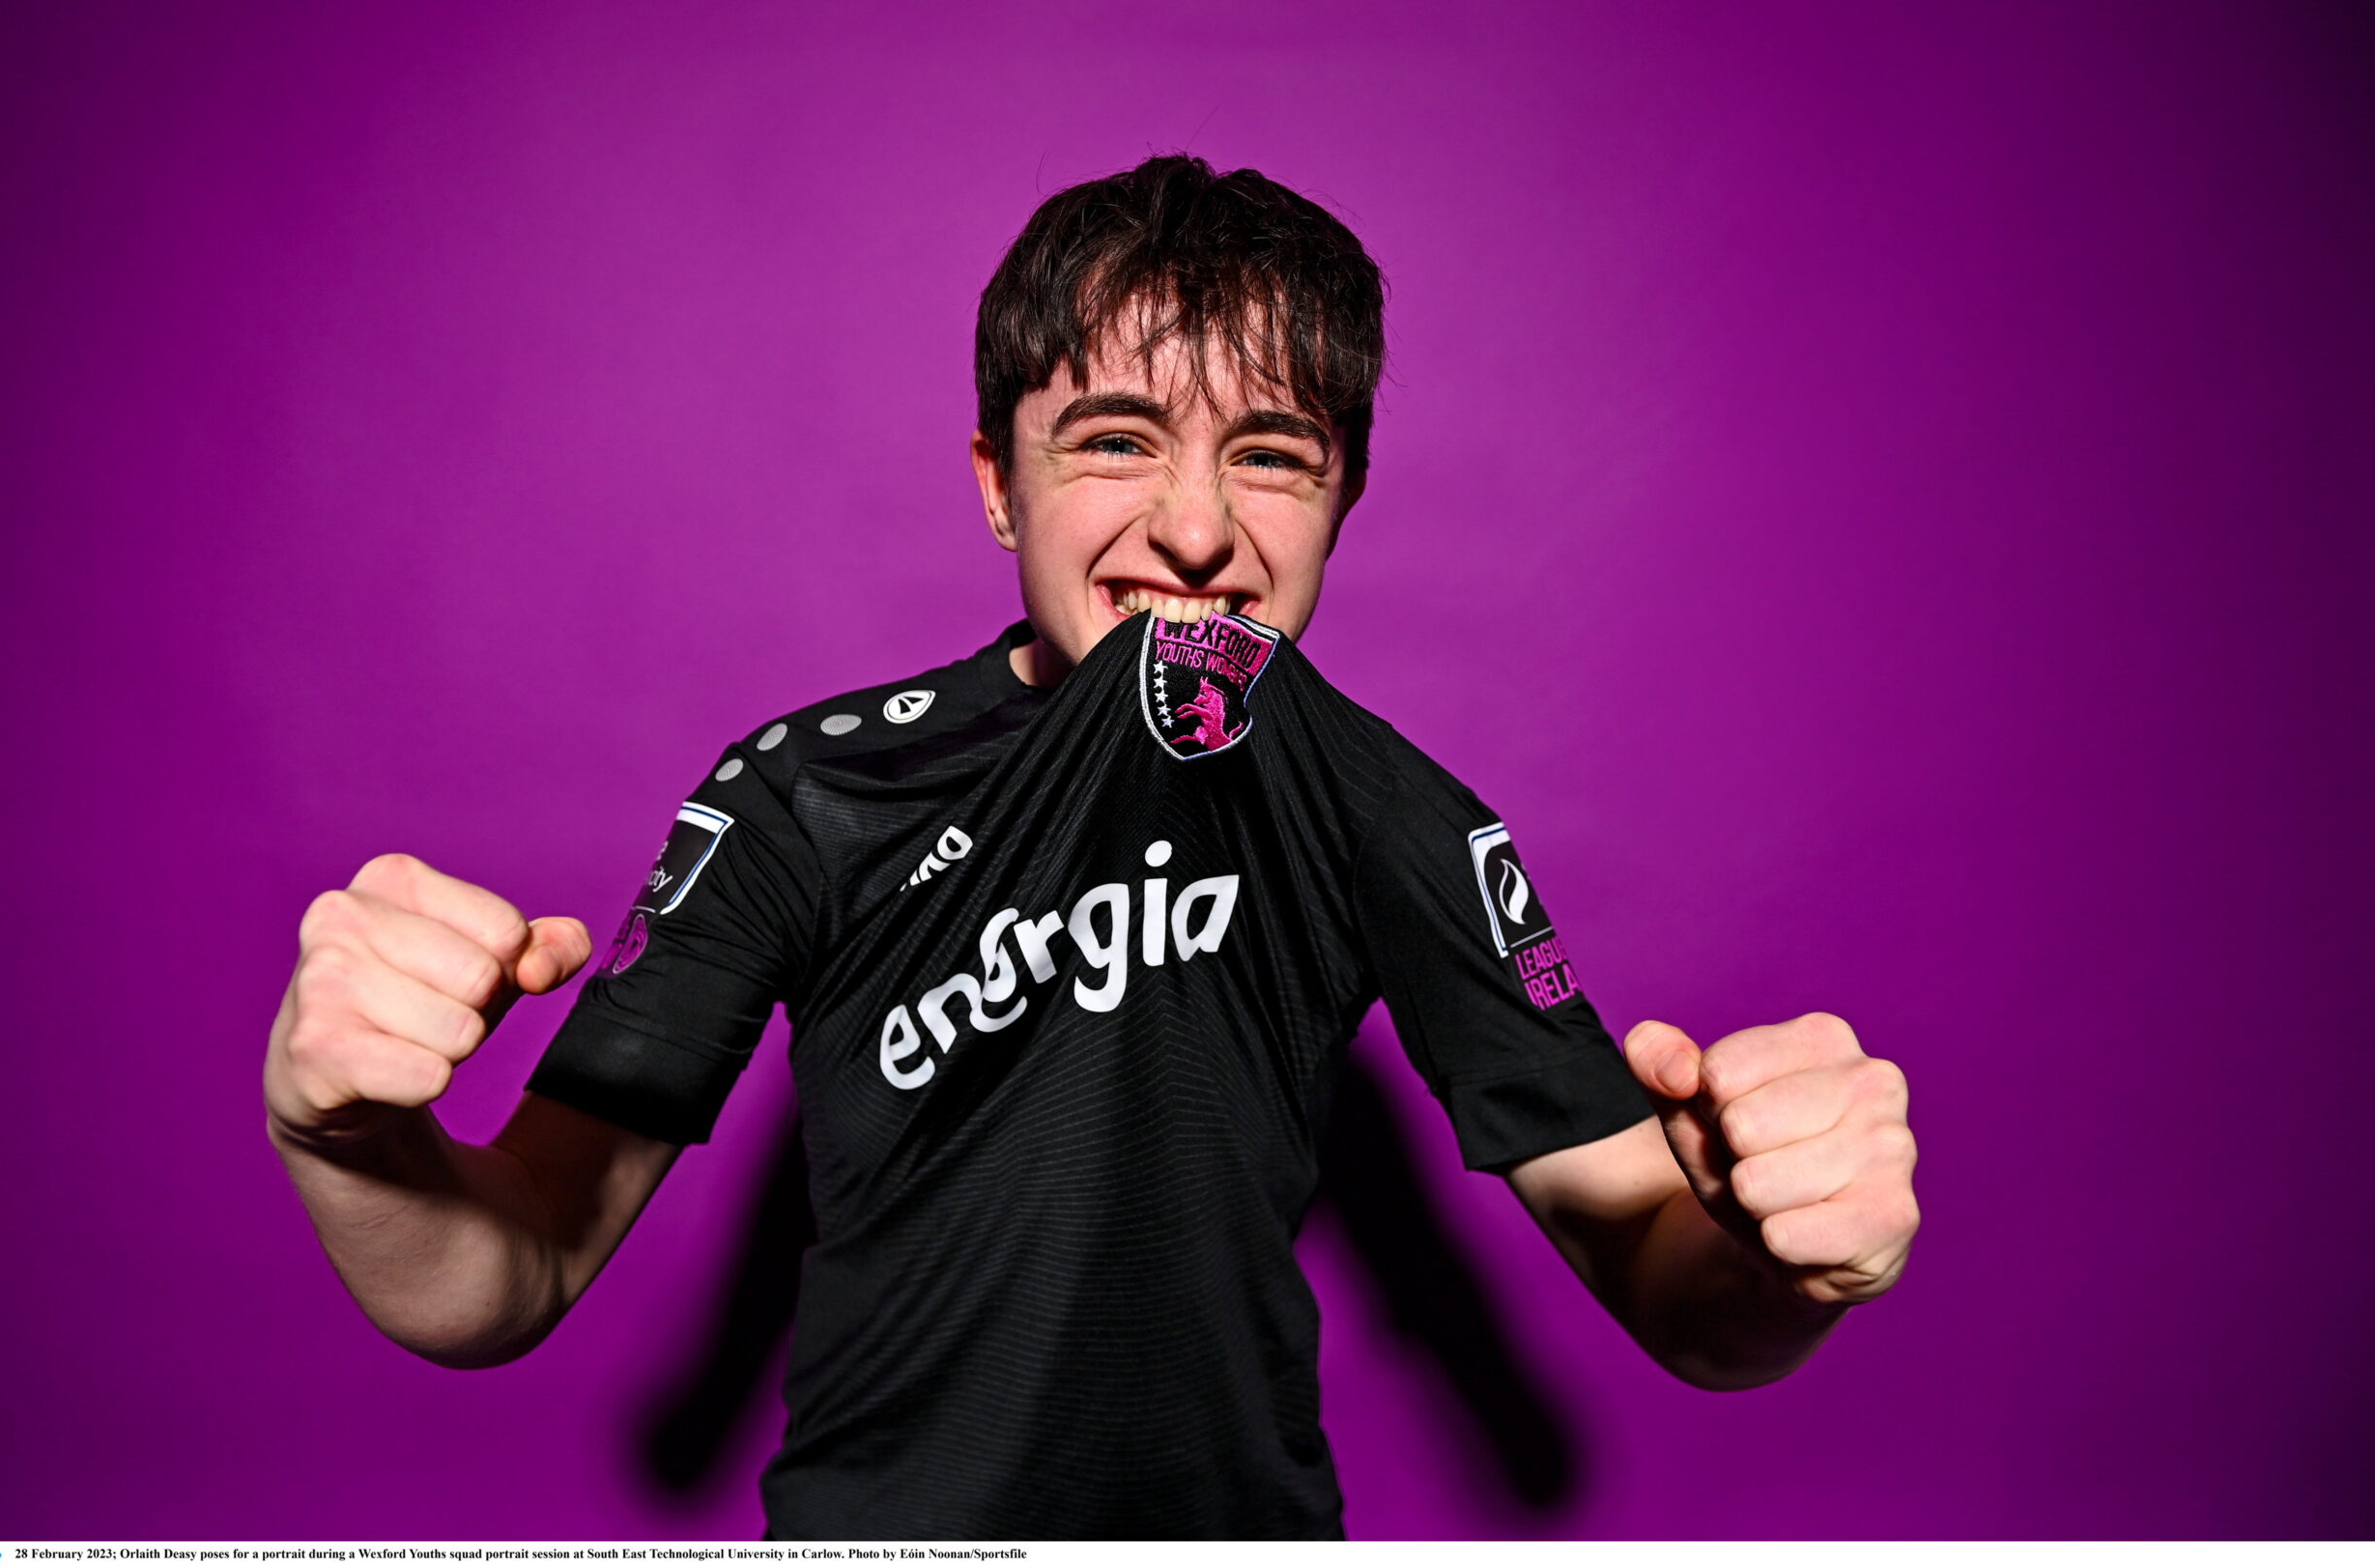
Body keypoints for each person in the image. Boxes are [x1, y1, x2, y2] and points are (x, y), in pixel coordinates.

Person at [264, 155, 1921, 1540]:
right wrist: (345, 1140)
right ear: (999, 484)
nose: (1197, 529)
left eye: (1270, 455)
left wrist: (1785, 1258)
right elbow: (508, 1271)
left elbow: (1674, 1282)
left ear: (1343, 500)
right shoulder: (807, 796)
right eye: (1117, 439)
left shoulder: (1391, 809)